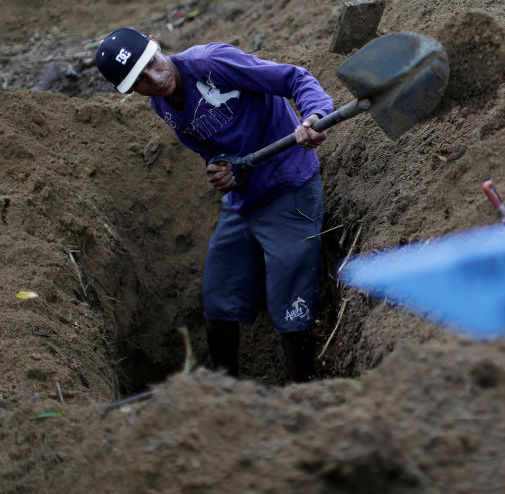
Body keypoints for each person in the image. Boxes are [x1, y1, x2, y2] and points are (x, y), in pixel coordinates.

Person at [95, 27, 335, 382]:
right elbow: (211, 150)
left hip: (288, 187)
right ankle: (224, 397)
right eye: (139, 80)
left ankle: (305, 394)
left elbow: (294, 78)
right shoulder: (162, 104)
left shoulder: (211, 63)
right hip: (242, 201)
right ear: (124, 91)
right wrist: (224, 170)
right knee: (218, 301)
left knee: (291, 307)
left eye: (152, 63)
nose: (154, 78)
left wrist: (312, 116)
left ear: (157, 45)